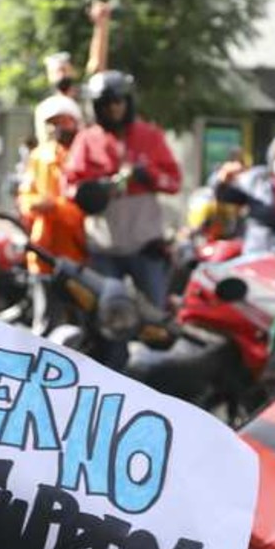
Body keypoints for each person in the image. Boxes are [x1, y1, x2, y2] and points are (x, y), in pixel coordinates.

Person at [64, 71, 182, 361]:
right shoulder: (87, 140)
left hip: (145, 246)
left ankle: (156, 380)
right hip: (104, 249)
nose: (114, 108)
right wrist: (94, 188)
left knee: (155, 319)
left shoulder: (150, 136)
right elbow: (69, 185)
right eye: (106, 103)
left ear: (128, 102)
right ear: (96, 107)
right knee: (109, 322)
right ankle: (114, 373)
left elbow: (174, 181)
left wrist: (149, 175)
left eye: (119, 101)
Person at [18, 93, 87, 331]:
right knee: (45, 322)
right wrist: (34, 204)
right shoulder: (39, 157)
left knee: (81, 322)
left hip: (78, 254)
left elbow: (86, 209)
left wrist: (55, 208)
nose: (58, 128)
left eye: (63, 121)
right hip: (44, 252)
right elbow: (25, 197)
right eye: (53, 122)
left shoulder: (85, 157)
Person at [228, 131, 275, 255]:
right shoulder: (255, 179)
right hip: (257, 255)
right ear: (273, 157)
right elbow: (227, 195)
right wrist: (224, 180)